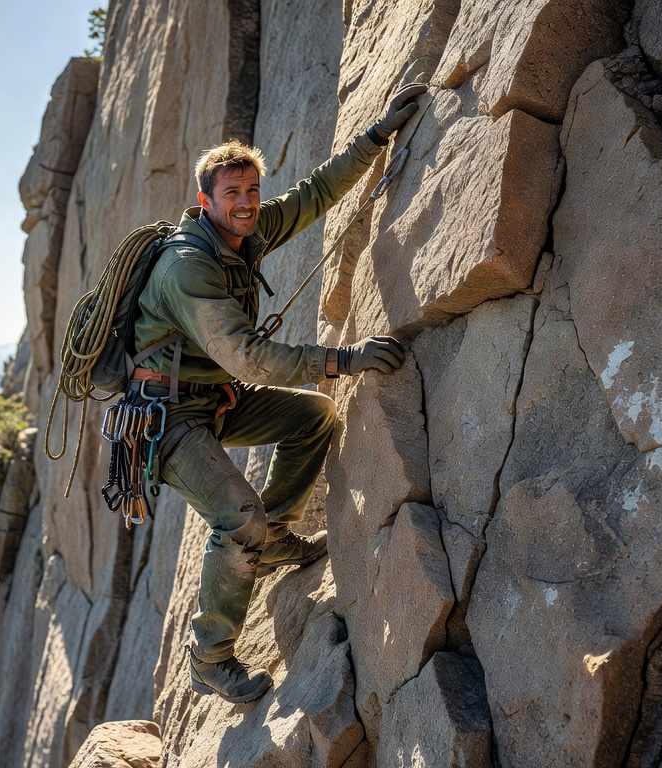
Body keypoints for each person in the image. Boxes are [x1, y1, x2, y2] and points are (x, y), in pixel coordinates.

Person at [129, 84, 428, 702]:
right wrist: (343, 359)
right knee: (239, 519)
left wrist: (375, 137)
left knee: (313, 418)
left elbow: (314, 195)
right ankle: (210, 659)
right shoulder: (188, 266)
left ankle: (277, 539)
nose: (245, 204)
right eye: (231, 194)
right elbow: (246, 356)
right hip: (166, 419)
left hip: (210, 399)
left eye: (251, 191)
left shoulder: (245, 231)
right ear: (204, 200)